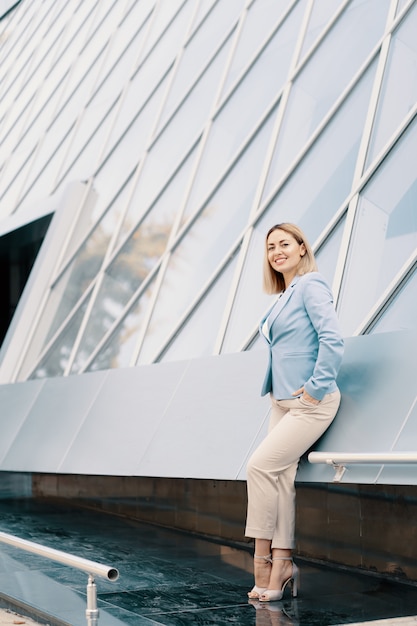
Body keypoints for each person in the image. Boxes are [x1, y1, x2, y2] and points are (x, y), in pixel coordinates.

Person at [245, 223, 344, 602]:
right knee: (280, 478)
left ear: (302, 248)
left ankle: (262, 562)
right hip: (281, 402)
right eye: (271, 247)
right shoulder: (284, 294)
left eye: (284, 244)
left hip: (310, 404)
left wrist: (317, 388)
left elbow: (331, 338)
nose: (276, 251)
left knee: (259, 466)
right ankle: (282, 562)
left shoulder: (311, 284)